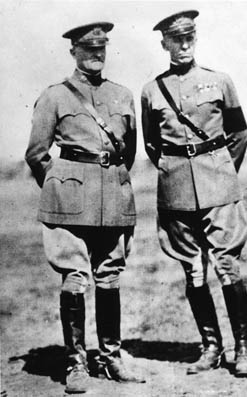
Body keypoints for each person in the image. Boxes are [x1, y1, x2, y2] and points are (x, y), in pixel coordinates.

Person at [25, 22, 144, 393]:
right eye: (88, 49)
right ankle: (76, 363)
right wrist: (61, 185)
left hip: (113, 198)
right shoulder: (55, 96)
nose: (95, 55)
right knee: (75, 278)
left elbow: (130, 151)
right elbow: (36, 153)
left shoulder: (122, 95)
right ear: (73, 51)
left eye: (101, 49)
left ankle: (110, 357)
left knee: (109, 276)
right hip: (70, 201)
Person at [141, 10, 247, 377]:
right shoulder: (151, 91)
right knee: (193, 271)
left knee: (227, 268)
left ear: (196, 37)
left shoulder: (219, 81)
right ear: (165, 44)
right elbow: (151, 145)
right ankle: (210, 347)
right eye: (176, 39)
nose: (184, 43)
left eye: (190, 36)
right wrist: (180, 172)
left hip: (219, 188)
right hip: (176, 192)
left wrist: (221, 171)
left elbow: (239, 134)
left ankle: (244, 349)